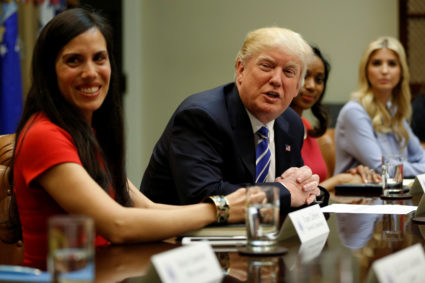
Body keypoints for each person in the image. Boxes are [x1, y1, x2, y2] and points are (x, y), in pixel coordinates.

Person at [6, 8, 257, 269]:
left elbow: (146, 208)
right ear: (49, 71)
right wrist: (219, 209)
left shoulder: (88, 133)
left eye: (99, 58)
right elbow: (117, 224)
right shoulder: (43, 135)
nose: (91, 72)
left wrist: (229, 218)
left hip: (109, 271)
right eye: (74, 61)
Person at [141, 27, 325, 213]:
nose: (277, 80)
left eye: (289, 72)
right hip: (172, 239)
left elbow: (296, 192)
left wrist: (312, 192)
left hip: (257, 237)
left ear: (297, 88)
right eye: (266, 66)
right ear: (241, 70)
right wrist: (283, 193)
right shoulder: (200, 116)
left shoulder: (291, 123)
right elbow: (205, 196)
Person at [290, 46, 379, 191]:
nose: (312, 86)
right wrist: (339, 180)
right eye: (305, 76)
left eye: (319, 80)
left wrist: (352, 174)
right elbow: (293, 193)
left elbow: (320, 185)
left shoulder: (306, 126)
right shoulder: (275, 127)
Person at [334, 36, 425, 177]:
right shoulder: (354, 112)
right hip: (356, 197)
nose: (384, 70)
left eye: (392, 64)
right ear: (366, 70)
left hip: (393, 195)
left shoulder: (393, 110)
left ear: (401, 71)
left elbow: (420, 156)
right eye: (376, 63)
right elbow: (383, 168)